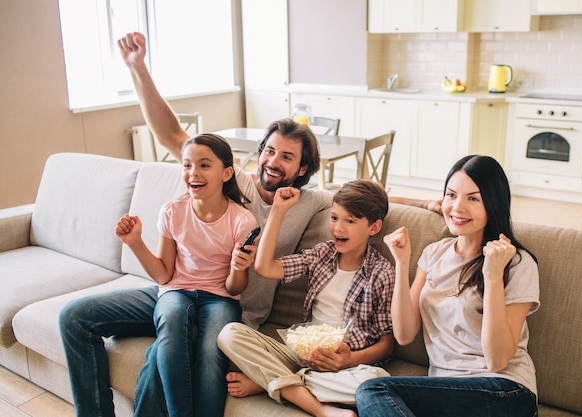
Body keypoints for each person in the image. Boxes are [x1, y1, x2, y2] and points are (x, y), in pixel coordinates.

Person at [59, 31, 437, 417]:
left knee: (164, 350)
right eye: (270, 151)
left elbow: (360, 197)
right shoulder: (232, 181)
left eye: (287, 157)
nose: (274, 161)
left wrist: (428, 200)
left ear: (303, 169)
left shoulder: (311, 204)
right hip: (176, 288)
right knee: (77, 317)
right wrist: (137, 67)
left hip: (229, 307)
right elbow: (173, 136)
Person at [355, 155, 541, 417]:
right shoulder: (434, 254)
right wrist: (401, 262)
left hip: (504, 391)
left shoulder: (517, 263)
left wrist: (492, 276)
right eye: (451, 195)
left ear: (494, 202)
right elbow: (405, 334)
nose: (457, 207)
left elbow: (498, 360)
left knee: (373, 392)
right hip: (446, 394)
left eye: (473, 198)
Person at [217, 180, 395, 417]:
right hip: (301, 355)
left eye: (350, 221)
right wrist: (279, 211)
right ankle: (319, 408)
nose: (338, 228)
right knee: (229, 334)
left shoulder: (382, 273)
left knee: (376, 383)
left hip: (348, 366)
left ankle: (268, 382)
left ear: (374, 227)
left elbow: (387, 343)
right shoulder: (322, 254)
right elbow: (265, 268)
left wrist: (348, 360)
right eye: (334, 218)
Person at [114, 134, 257, 417]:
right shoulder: (172, 211)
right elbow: (164, 275)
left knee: (210, 352)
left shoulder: (242, 220)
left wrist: (238, 267)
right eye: (187, 165)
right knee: (171, 318)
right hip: (176, 291)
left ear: (226, 173)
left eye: (204, 165)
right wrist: (135, 242)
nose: (193, 173)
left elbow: (234, 287)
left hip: (220, 298)